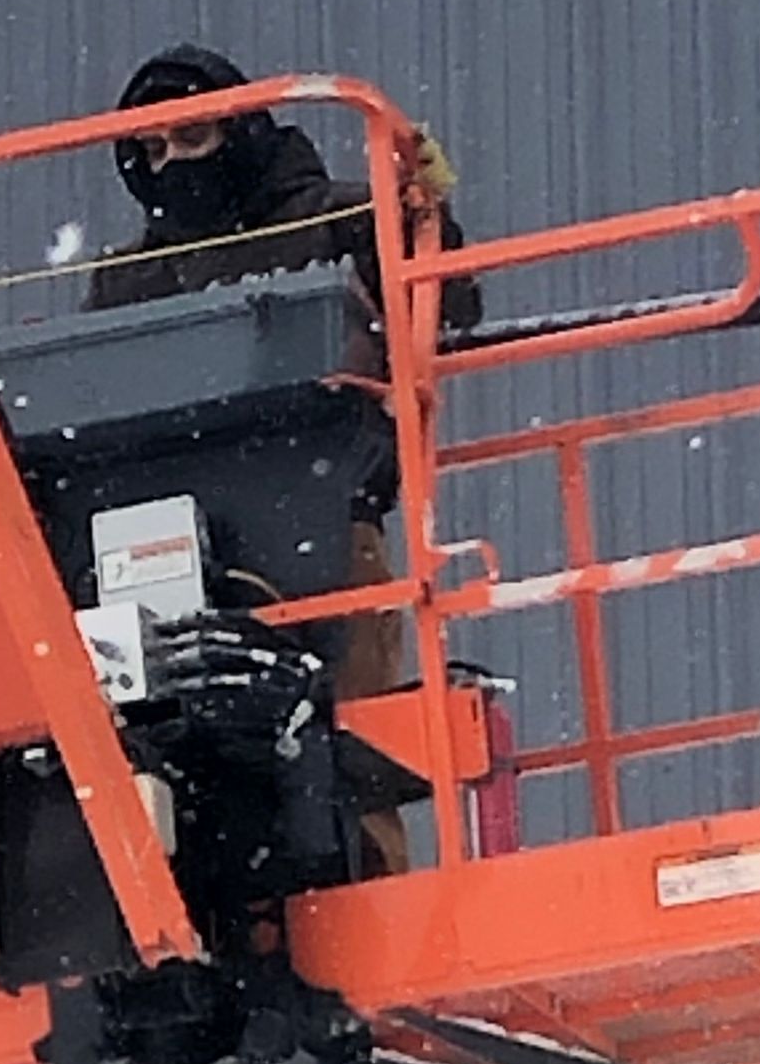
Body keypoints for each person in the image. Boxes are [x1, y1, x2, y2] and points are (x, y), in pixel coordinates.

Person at [87, 45, 480, 868]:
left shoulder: (340, 215)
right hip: (163, 553)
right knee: (167, 752)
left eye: (192, 137)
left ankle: (368, 899)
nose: (175, 164)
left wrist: (424, 218)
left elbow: (451, 306)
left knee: (350, 736)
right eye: (153, 152)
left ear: (244, 126)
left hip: (328, 529)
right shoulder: (124, 279)